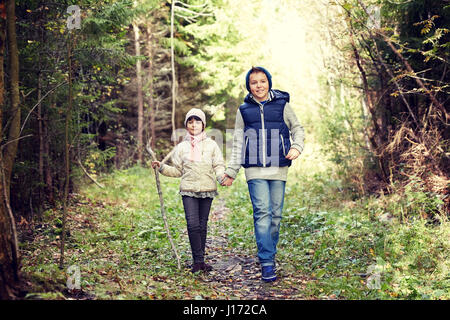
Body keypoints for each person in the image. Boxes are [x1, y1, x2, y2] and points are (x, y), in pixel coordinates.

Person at [221, 66, 304, 282]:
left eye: (262, 81)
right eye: (254, 82)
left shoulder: (283, 105)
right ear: (249, 86)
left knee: (275, 216)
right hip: (254, 169)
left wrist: (297, 147)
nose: (258, 85)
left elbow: (297, 128)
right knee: (262, 213)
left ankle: (269, 253)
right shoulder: (243, 110)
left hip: (279, 166)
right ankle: (267, 262)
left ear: (269, 82)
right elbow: (238, 142)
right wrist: (232, 171)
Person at [152, 108, 225, 273]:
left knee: (202, 225)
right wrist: (162, 167)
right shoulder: (181, 147)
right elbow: (178, 171)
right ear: (186, 125)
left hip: (207, 189)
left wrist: (221, 177)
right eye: (190, 122)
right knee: (192, 225)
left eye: (197, 121)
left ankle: (201, 261)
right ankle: (197, 261)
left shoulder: (212, 145)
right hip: (188, 190)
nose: (194, 125)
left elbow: (218, 165)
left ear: (203, 124)